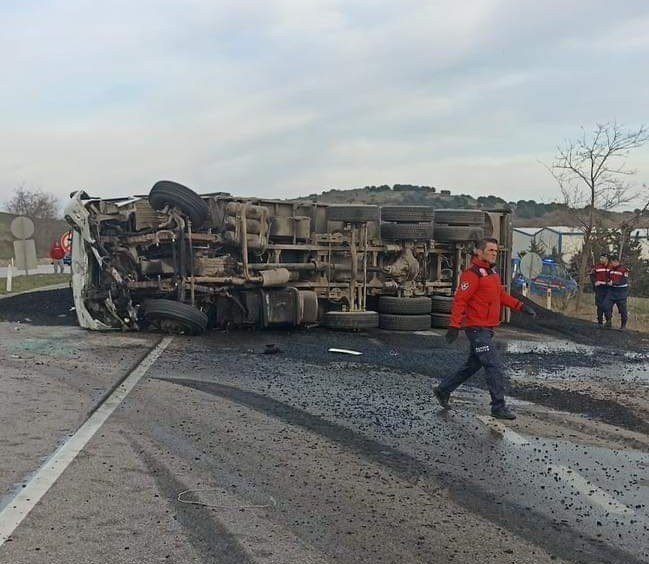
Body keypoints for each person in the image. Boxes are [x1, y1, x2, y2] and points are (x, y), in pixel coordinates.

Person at [433, 238, 537, 420]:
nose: (494, 253)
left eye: (495, 251)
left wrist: (521, 306)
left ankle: (443, 390)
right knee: (493, 364)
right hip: (476, 329)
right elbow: (460, 300)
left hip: (487, 328)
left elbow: (501, 296)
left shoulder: (491, 274)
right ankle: (498, 406)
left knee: (473, 365)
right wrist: (454, 325)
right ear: (479, 252)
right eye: (490, 250)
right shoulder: (472, 274)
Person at [603, 256, 629, 330]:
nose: (613, 263)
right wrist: (608, 282)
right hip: (612, 291)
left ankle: (623, 326)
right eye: (612, 262)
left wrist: (614, 283)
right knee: (605, 306)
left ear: (618, 262)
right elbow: (607, 278)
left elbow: (624, 281)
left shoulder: (624, 270)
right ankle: (608, 322)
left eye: (614, 262)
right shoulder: (610, 270)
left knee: (622, 310)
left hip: (621, 293)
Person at [589, 253, 610, 326]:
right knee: (599, 305)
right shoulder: (597, 267)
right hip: (599, 289)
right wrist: (595, 282)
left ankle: (608, 322)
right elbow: (591, 275)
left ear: (606, 258)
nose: (600, 260)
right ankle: (600, 322)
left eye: (602, 258)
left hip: (608, 289)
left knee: (607, 306)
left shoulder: (611, 267)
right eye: (600, 258)